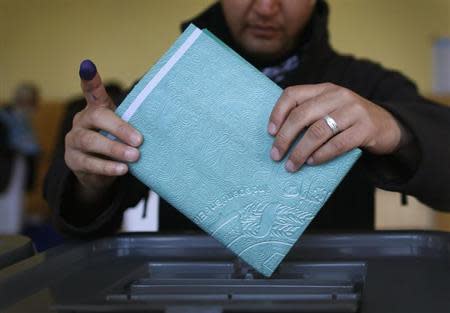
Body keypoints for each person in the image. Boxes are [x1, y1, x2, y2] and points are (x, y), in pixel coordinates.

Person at [45, 0, 450, 238]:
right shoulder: (165, 87)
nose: (266, 7)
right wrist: (88, 182)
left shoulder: (363, 86)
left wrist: (395, 129)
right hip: (186, 289)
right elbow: (79, 226)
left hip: (332, 289)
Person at [0, 83, 40, 234]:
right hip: (8, 164)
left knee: (16, 200)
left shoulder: (19, 115)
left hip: (17, 163)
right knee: (9, 201)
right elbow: (27, 144)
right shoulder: (8, 116)